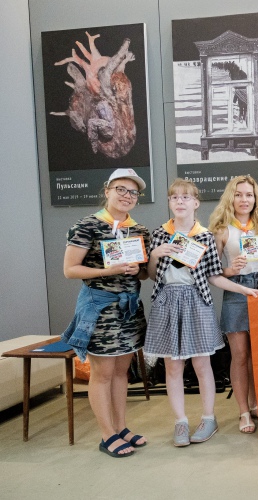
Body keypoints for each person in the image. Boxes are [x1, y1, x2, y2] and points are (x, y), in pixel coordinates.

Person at [145, 179, 258, 446]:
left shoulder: (205, 236)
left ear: (196, 203)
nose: (180, 202)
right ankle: (180, 421)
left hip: (197, 301)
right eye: (175, 198)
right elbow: (152, 275)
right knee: (173, 366)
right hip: (167, 301)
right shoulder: (159, 234)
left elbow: (214, 276)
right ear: (169, 202)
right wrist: (155, 256)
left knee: (201, 363)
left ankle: (208, 418)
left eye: (186, 197)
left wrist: (244, 290)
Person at [62, 168, 150, 458]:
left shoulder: (139, 230)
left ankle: (121, 428)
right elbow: (70, 270)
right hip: (100, 308)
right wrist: (108, 270)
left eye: (133, 192)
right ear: (107, 191)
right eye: (120, 189)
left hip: (129, 309)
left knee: (122, 372)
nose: (127, 196)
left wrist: (139, 270)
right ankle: (106, 434)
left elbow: (144, 274)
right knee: (102, 373)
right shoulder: (86, 226)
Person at [209, 175, 258, 434]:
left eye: (249, 195)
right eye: (239, 194)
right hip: (235, 291)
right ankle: (243, 411)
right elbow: (212, 271)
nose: (244, 199)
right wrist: (230, 270)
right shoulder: (222, 229)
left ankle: (256, 404)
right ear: (230, 198)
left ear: (256, 199)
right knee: (240, 355)